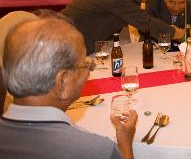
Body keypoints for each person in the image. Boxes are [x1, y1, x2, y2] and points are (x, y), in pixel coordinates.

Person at [0, 19, 137, 159]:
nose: (89, 72)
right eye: (85, 64)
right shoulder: (96, 150)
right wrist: (125, 143)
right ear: (63, 82)